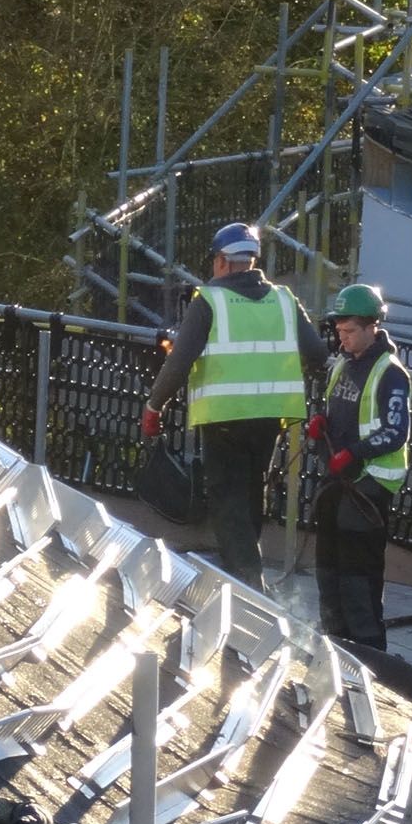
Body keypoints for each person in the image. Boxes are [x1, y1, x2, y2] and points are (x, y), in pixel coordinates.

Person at [140, 221, 327, 587]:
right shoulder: (284, 300)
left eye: (214, 260)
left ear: (224, 262)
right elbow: (318, 353)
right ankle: (247, 571)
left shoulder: (209, 300)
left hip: (224, 418)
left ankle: (248, 584)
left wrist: (153, 406)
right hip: (270, 418)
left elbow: (179, 361)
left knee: (227, 501)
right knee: (251, 495)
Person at [308, 283, 411, 649]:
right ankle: (334, 643)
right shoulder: (342, 366)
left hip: (369, 486)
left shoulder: (390, 372)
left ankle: (367, 652)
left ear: (372, 327)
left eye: (350, 332)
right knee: (328, 570)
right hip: (338, 483)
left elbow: (395, 432)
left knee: (357, 577)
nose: (343, 339)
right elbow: (336, 413)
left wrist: (355, 452)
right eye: (339, 332)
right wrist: (320, 428)